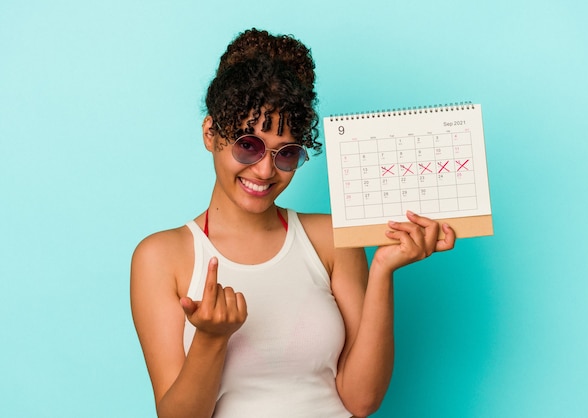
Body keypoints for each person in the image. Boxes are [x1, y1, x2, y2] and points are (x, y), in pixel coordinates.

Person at [130, 28, 456, 418]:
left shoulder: (331, 238)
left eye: (286, 154)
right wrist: (211, 339)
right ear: (210, 133)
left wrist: (383, 269)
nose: (266, 170)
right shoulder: (161, 257)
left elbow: (361, 400)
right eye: (248, 145)